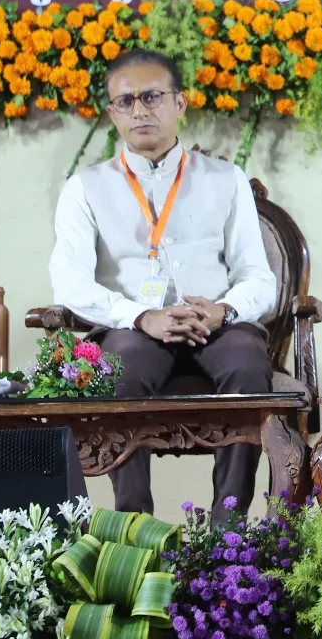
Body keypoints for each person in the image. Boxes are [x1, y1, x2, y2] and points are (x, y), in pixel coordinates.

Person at [48, 48, 278, 522]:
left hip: (216, 324)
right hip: (133, 328)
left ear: (179, 103)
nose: (140, 110)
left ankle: (229, 527)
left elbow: (258, 276)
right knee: (121, 367)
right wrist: (140, 316)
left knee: (247, 364)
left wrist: (223, 310)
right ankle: (134, 527)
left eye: (151, 96)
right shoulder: (85, 187)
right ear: (112, 113)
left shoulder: (225, 179)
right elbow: (68, 282)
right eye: (125, 101)